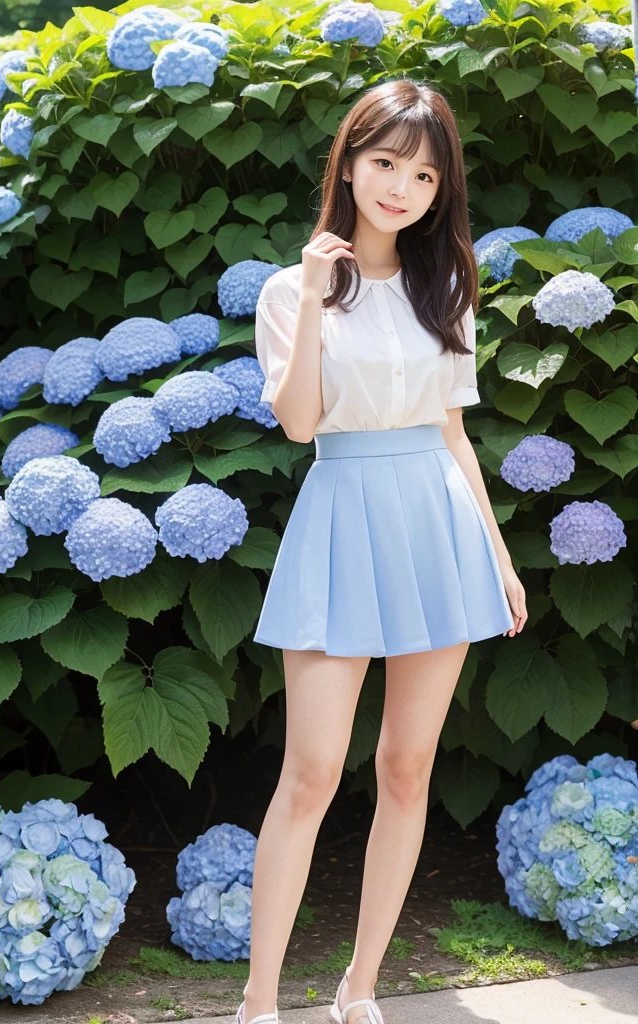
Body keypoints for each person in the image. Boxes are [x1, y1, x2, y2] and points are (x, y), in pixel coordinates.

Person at [237, 78, 528, 1024]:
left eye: (425, 173)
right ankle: (259, 1000)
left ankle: (359, 990)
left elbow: (452, 432)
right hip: (342, 509)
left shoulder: (449, 282)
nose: (402, 186)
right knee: (312, 770)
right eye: (386, 163)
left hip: (436, 519)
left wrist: (501, 555)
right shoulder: (291, 289)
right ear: (350, 164)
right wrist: (321, 299)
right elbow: (296, 424)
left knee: (408, 767)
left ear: (443, 191)